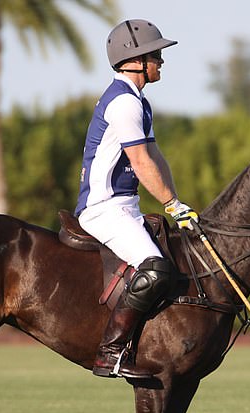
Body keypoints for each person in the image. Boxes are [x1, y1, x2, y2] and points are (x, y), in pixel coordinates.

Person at [75, 19, 199, 379]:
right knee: (156, 267)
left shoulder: (138, 102)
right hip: (103, 209)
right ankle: (109, 353)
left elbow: (157, 158)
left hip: (125, 206)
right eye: (156, 54)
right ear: (136, 60)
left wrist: (178, 203)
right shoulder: (124, 103)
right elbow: (141, 163)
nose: (161, 61)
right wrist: (171, 206)